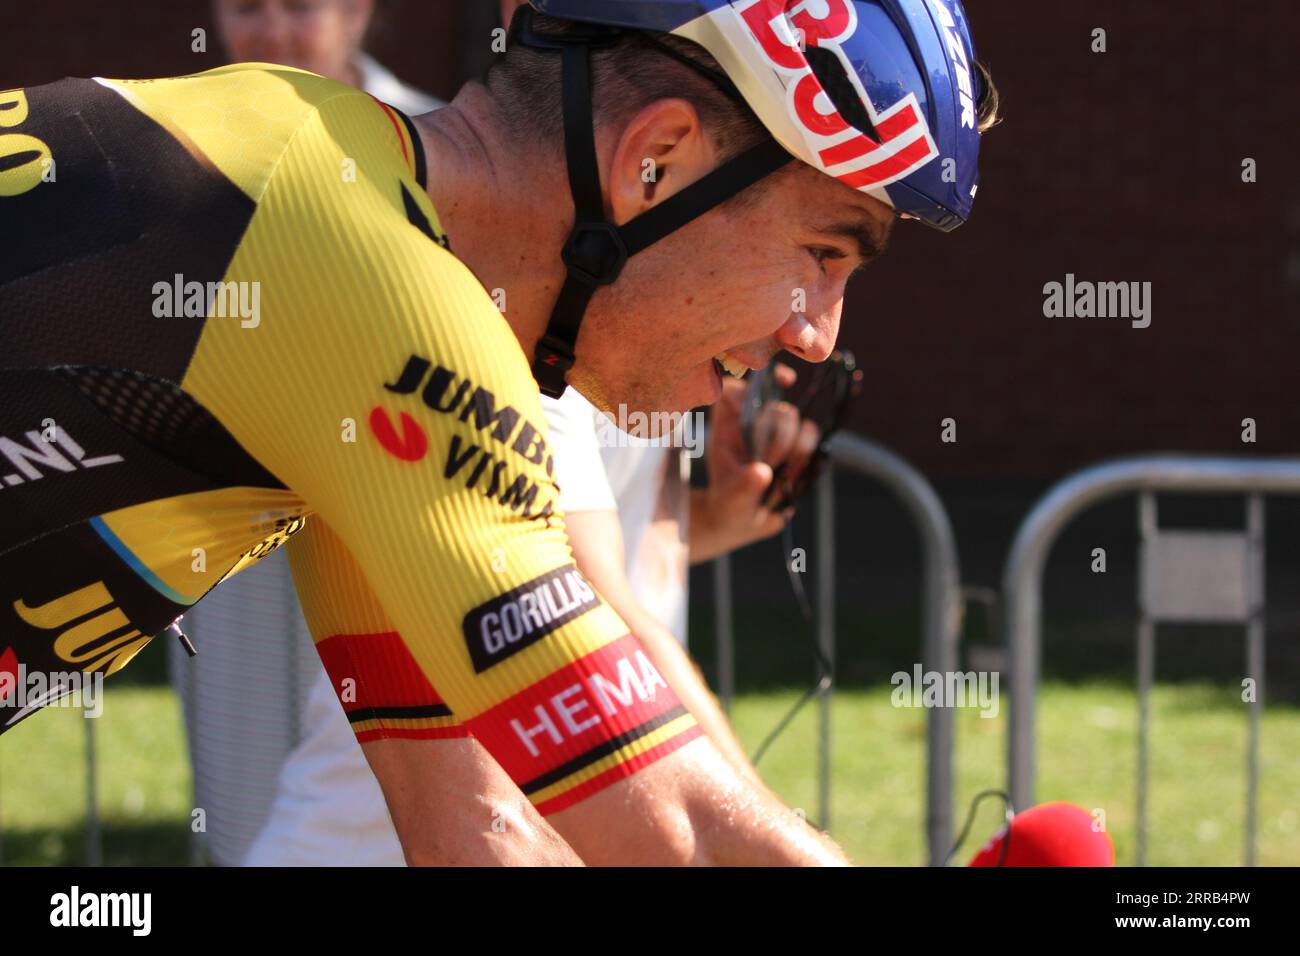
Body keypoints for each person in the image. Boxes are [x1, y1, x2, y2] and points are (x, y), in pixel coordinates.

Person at [0, 0, 997, 865]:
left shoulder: (338, 196)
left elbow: (475, 833)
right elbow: (677, 834)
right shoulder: (362, 278)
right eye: (822, 251)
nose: (813, 335)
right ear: (656, 160)